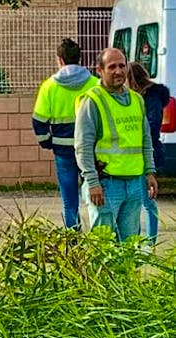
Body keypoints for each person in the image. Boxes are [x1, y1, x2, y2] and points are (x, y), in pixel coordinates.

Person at [75, 48, 158, 242]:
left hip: (134, 183)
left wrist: (150, 171)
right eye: (112, 67)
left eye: (122, 66)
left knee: (129, 247)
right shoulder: (92, 101)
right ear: (100, 70)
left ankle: (127, 275)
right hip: (106, 185)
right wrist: (93, 182)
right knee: (103, 248)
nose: (118, 71)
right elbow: (83, 146)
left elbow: (145, 140)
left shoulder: (137, 100)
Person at [31, 38, 99, 231]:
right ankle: (99, 238)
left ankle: (74, 243)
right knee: (95, 195)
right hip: (91, 151)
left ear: (59, 59)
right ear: (80, 58)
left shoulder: (49, 86)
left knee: (70, 202)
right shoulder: (95, 84)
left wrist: (46, 142)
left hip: (63, 150)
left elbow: (38, 121)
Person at [128, 61, 168, 244]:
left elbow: (151, 127)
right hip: (144, 152)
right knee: (141, 200)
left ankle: (150, 241)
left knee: (147, 201)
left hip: (147, 153)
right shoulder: (147, 97)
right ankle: (145, 239)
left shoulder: (149, 98)